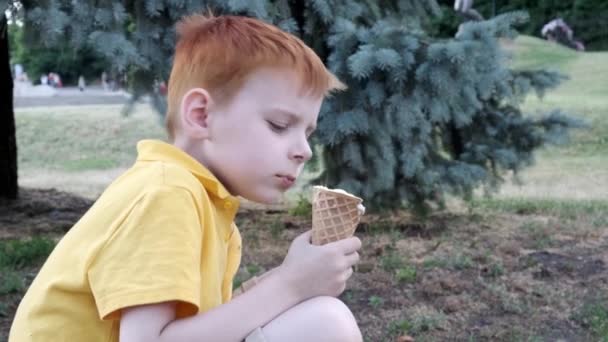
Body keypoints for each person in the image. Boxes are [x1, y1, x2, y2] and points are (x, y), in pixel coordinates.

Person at [9, 13, 363, 342]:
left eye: (308, 132)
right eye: (280, 125)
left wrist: (292, 277)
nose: (304, 150)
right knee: (325, 322)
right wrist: (289, 286)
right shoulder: (168, 194)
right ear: (201, 115)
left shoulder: (201, 200)